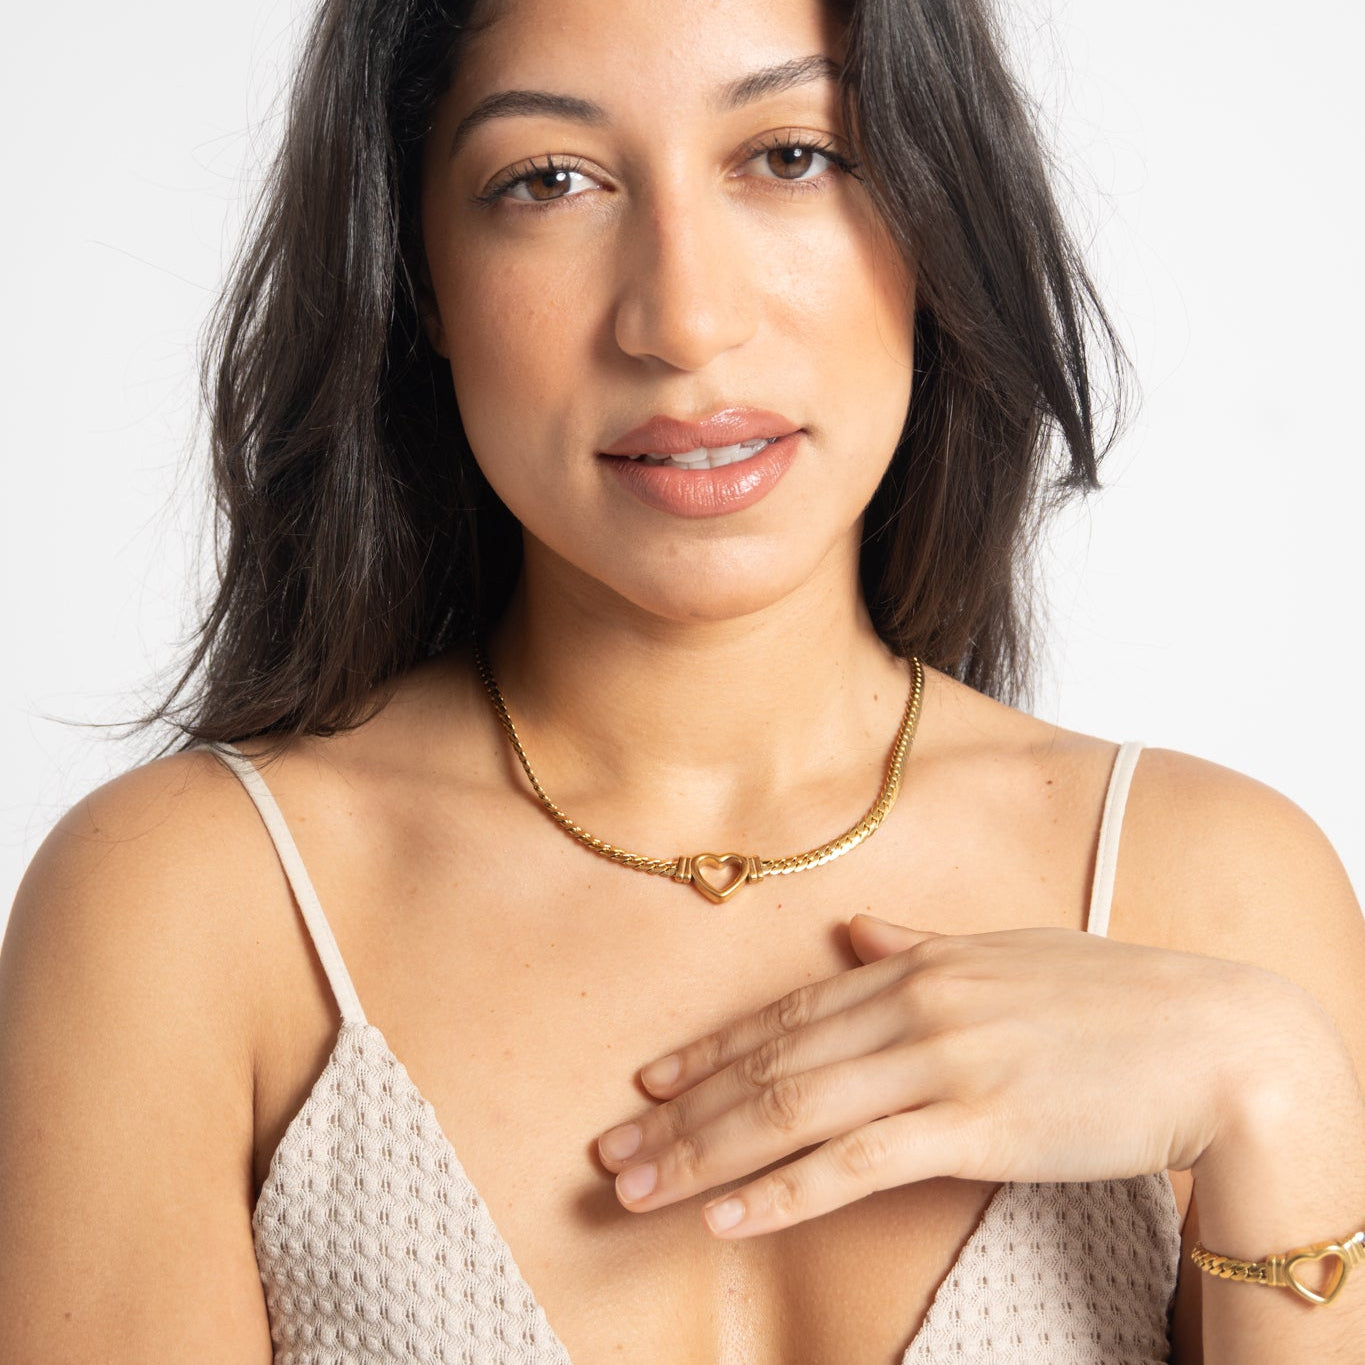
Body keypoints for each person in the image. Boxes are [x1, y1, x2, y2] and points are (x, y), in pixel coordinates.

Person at [1, 0, 1362, 1360]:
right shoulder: (195, 908)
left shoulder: (1206, 894)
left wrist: (1280, 1104)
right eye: (549, 181)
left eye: (789, 156)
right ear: (418, 272)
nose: (683, 320)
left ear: (937, 203)